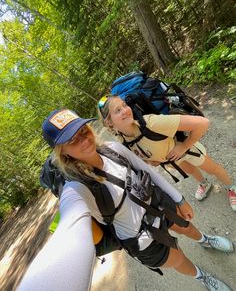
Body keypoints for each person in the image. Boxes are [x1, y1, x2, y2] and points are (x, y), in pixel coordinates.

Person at [18, 108, 234, 291]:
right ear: (62, 151)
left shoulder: (113, 149)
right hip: (141, 238)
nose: (84, 140)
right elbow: (70, 230)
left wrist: (179, 199)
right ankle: (202, 276)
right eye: (72, 140)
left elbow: (149, 172)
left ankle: (205, 240)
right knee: (178, 259)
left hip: (157, 204)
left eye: (83, 131)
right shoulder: (75, 188)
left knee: (187, 228)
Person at [98, 95, 236, 210]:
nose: (125, 110)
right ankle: (205, 185)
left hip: (188, 151)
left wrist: (183, 146)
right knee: (192, 171)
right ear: (109, 123)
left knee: (214, 169)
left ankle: (232, 188)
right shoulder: (123, 139)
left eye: (124, 105)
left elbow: (203, 123)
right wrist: (151, 160)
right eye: (117, 110)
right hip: (173, 161)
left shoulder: (150, 122)